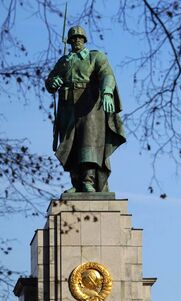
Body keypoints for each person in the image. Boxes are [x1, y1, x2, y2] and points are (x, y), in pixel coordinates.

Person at [45, 26, 126, 193]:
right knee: (71, 144)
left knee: (88, 143)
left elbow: (107, 74)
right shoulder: (64, 61)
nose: (76, 41)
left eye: (79, 38)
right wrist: (53, 82)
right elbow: (51, 80)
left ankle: (88, 181)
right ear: (69, 42)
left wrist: (107, 91)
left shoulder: (95, 56)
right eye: (73, 39)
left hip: (89, 105)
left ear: (84, 40)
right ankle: (77, 184)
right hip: (68, 106)